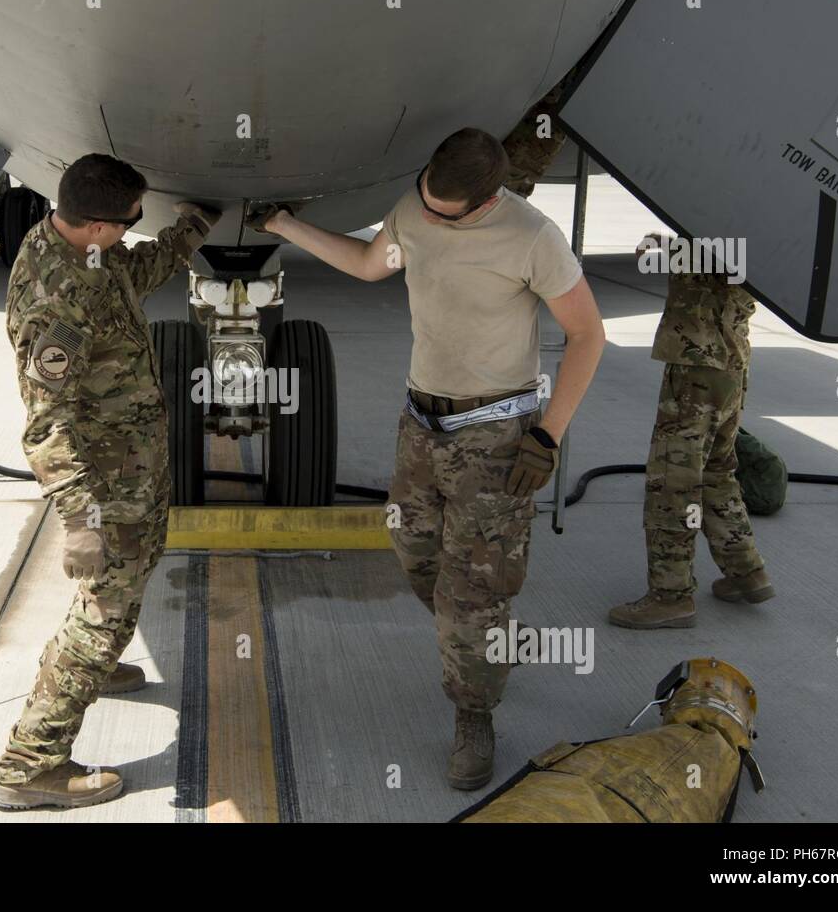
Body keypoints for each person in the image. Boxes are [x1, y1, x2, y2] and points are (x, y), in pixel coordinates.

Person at [252, 127, 605, 790]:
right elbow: (369, 264)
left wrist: (548, 435)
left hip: (497, 435)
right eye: (426, 203)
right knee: (416, 555)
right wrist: (284, 225)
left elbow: (588, 334)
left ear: (485, 200)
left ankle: (475, 714)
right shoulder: (415, 207)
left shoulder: (533, 237)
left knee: (471, 592)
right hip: (421, 423)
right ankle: (486, 644)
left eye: (447, 213)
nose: (430, 218)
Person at [0, 153, 220, 809]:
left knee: (127, 583)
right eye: (131, 220)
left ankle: (98, 659)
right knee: (102, 612)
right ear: (95, 224)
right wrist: (80, 520)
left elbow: (136, 272)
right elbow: (45, 425)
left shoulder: (86, 254)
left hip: (134, 466)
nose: (133, 230)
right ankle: (30, 766)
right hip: (107, 483)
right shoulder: (55, 306)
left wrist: (191, 228)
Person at [609, 252, 773, 629]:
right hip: (731, 360)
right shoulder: (765, 221)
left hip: (699, 364)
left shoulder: (720, 216)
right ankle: (745, 569)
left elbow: (714, 264)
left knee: (673, 482)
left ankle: (670, 597)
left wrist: (666, 250)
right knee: (717, 470)